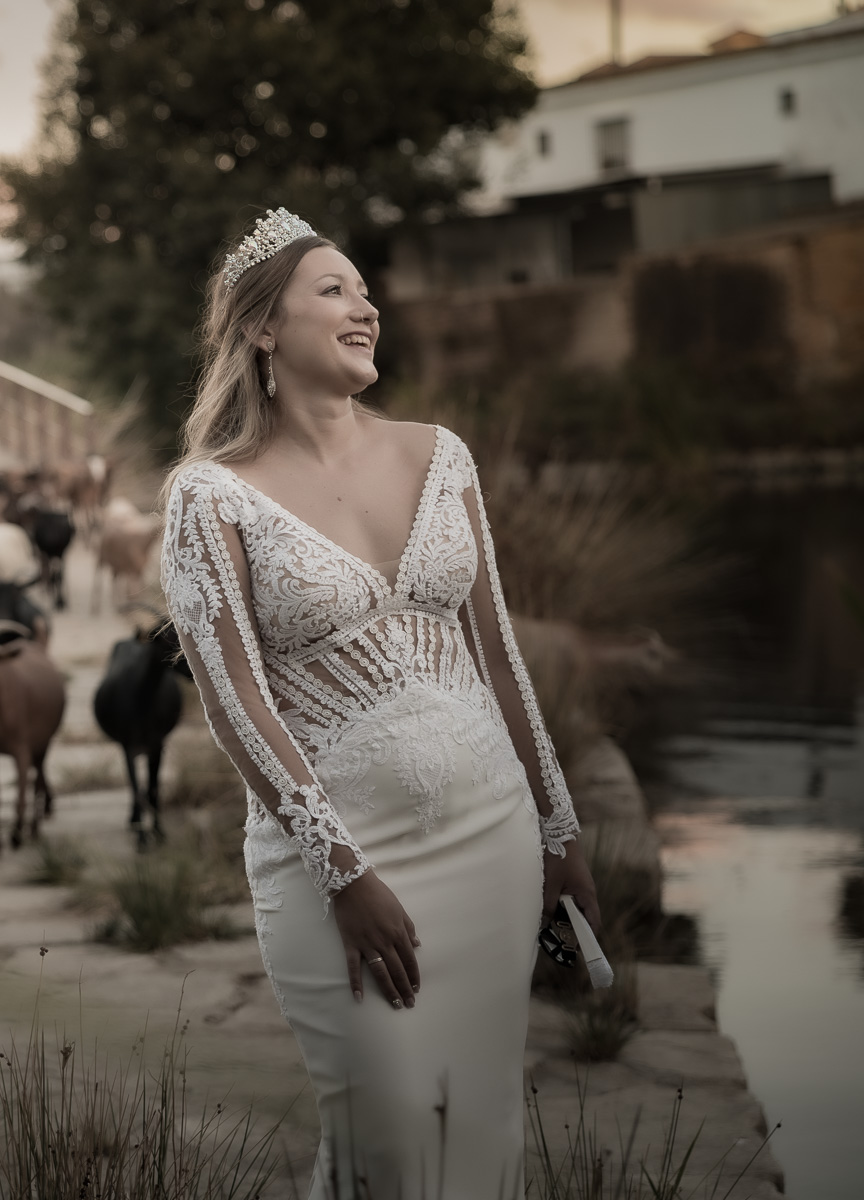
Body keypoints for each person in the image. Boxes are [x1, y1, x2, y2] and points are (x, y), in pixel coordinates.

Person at [160, 209, 601, 1198]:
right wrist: (343, 871)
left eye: (365, 291)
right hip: (342, 878)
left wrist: (556, 824)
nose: (365, 306)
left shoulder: (440, 456)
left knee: (474, 1140)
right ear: (264, 329)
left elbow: (499, 655)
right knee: (389, 1147)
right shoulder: (209, 497)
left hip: (491, 845)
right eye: (333, 289)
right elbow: (234, 704)